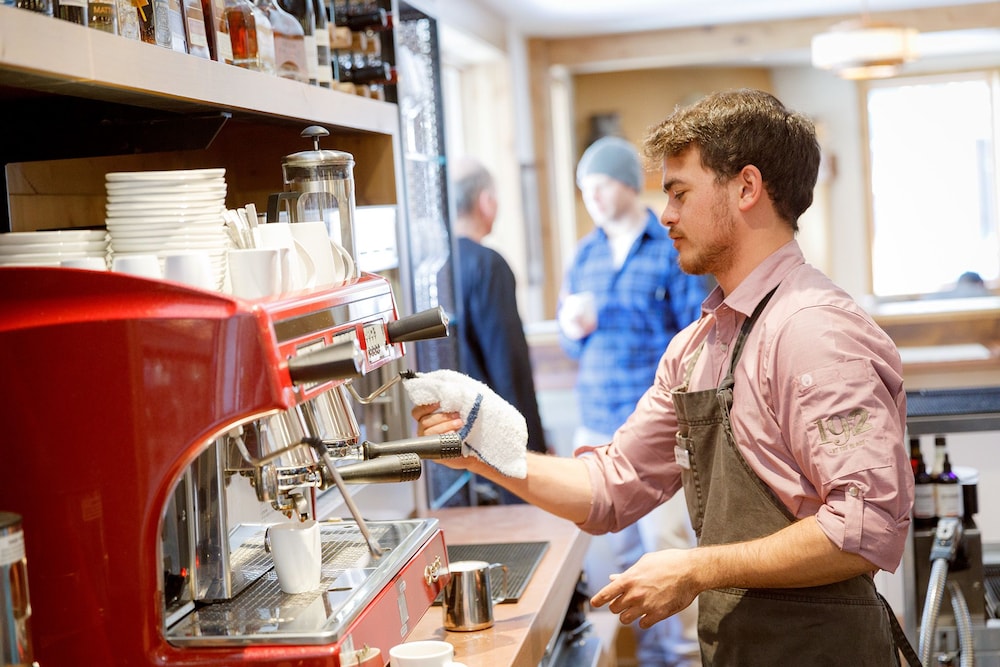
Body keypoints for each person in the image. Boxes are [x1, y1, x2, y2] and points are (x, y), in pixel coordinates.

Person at [414, 89, 917, 665]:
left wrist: (698, 567)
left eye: (680, 193)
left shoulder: (814, 332)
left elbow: (867, 526)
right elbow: (611, 488)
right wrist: (480, 447)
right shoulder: (698, 346)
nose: (666, 215)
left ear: (747, 188)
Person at [557, 135, 709, 666]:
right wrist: (571, 328)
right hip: (596, 424)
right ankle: (644, 661)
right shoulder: (585, 253)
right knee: (615, 565)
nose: (592, 198)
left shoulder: (670, 243)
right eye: (584, 190)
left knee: (667, 552)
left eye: (600, 186)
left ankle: (682, 659)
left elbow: (699, 331)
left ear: (625, 184)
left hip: (657, 427)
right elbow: (567, 342)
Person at [448, 157, 548, 503]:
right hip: (496, 445)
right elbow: (510, 369)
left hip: (449, 443)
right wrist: (534, 454)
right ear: (485, 201)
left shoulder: (434, 265)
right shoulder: (488, 265)